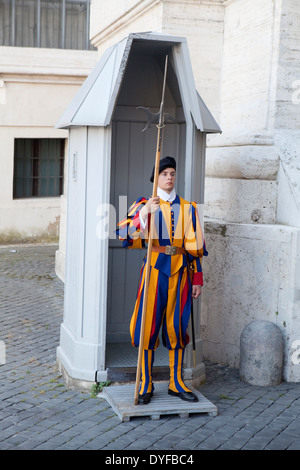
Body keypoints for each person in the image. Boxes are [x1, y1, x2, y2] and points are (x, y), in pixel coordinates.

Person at [117, 156, 207, 405]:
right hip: (154, 271)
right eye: (164, 173)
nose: (169, 177)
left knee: (177, 325)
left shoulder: (188, 208)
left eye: (172, 173)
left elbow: (195, 249)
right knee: (148, 325)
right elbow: (124, 234)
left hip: (181, 274)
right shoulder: (144, 204)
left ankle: (176, 382)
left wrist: (197, 279)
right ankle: (145, 382)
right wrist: (144, 213)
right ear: (156, 178)